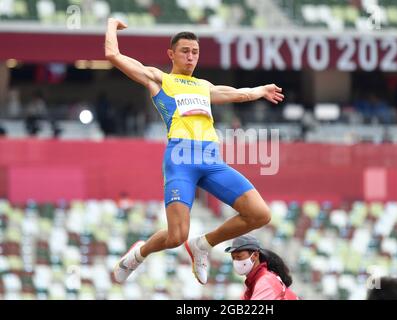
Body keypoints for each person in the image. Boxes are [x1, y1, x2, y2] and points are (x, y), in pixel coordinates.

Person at [105, 18, 284, 285]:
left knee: (260, 214)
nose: (191, 57)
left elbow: (238, 94)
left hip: (211, 160)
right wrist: (111, 25)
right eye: (185, 51)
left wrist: (261, 90)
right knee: (176, 236)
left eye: (195, 52)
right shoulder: (160, 80)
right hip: (180, 160)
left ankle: (203, 244)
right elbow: (113, 55)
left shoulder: (204, 86)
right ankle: (137, 256)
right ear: (172, 54)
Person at [225, 234, 298, 300]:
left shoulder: (265, 281)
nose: (236, 261)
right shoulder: (253, 283)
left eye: (239, 256)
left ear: (255, 255)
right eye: (233, 258)